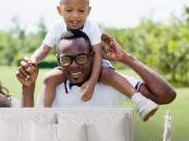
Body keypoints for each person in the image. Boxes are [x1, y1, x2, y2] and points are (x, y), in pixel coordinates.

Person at [22, 0, 158, 121]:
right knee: (49, 79)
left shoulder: (91, 26)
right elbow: (44, 49)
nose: (75, 16)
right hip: (69, 64)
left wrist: (92, 83)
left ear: (89, 10)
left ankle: (140, 101)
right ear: (59, 10)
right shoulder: (56, 27)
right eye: (69, 10)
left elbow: (98, 55)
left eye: (81, 11)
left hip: (94, 64)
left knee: (107, 73)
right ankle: (43, 117)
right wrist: (33, 60)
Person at [17, 30, 176, 110]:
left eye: (81, 58)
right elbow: (33, 127)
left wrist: (126, 58)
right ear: (58, 60)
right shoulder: (52, 85)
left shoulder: (115, 82)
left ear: (94, 56)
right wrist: (28, 87)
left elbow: (165, 96)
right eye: (66, 59)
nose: (73, 65)